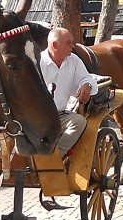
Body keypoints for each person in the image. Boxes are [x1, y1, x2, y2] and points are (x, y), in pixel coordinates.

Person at [38, 27, 99, 156]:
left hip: (59, 115)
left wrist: (86, 85)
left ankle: (56, 156)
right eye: (68, 43)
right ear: (55, 45)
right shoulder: (38, 63)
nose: (73, 46)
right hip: (38, 117)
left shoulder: (74, 61)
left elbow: (87, 78)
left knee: (79, 122)